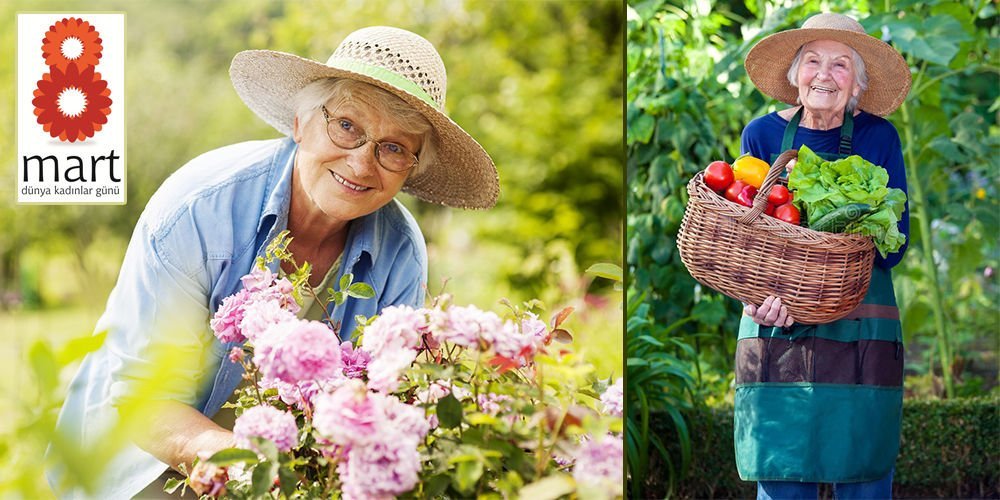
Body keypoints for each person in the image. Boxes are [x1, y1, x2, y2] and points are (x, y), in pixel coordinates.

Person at [47, 26, 498, 499]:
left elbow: (377, 404)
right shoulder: (200, 210)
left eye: (394, 148)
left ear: (411, 168)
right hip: (140, 462)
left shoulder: (401, 253)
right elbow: (143, 399)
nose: (362, 164)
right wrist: (244, 465)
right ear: (301, 123)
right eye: (347, 126)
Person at [735, 13, 910, 500]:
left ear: (858, 82)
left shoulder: (879, 138)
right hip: (778, 321)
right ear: (795, 73)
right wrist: (754, 298)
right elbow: (745, 235)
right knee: (783, 473)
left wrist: (838, 252)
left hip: (860, 320)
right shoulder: (761, 136)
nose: (824, 75)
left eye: (840, 64)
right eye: (813, 61)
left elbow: (895, 245)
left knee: (863, 472)